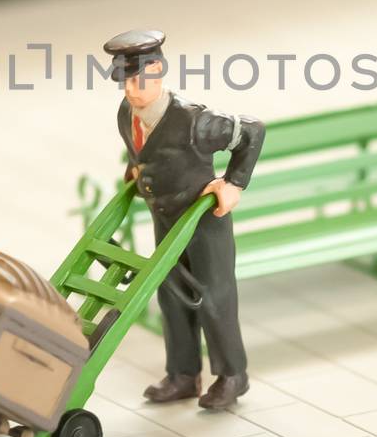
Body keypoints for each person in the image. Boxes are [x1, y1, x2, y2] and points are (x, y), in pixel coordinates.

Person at [103, 29, 264, 410]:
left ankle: (232, 376)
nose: (130, 89)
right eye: (124, 81)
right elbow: (142, 150)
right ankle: (182, 374)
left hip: (203, 220)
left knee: (214, 295)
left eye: (137, 79)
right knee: (171, 294)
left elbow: (253, 131)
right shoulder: (128, 113)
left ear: (157, 70)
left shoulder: (196, 121)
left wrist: (233, 183)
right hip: (166, 217)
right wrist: (136, 170)